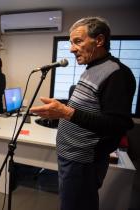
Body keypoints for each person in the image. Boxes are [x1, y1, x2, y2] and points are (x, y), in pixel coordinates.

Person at [30, 17, 136, 210]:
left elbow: (117, 124)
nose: (71, 49)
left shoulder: (118, 74)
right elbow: (88, 107)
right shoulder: (92, 68)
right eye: (71, 43)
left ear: (100, 40)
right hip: (71, 157)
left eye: (77, 41)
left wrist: (66, 112)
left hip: (83, 161)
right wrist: (61, 107)